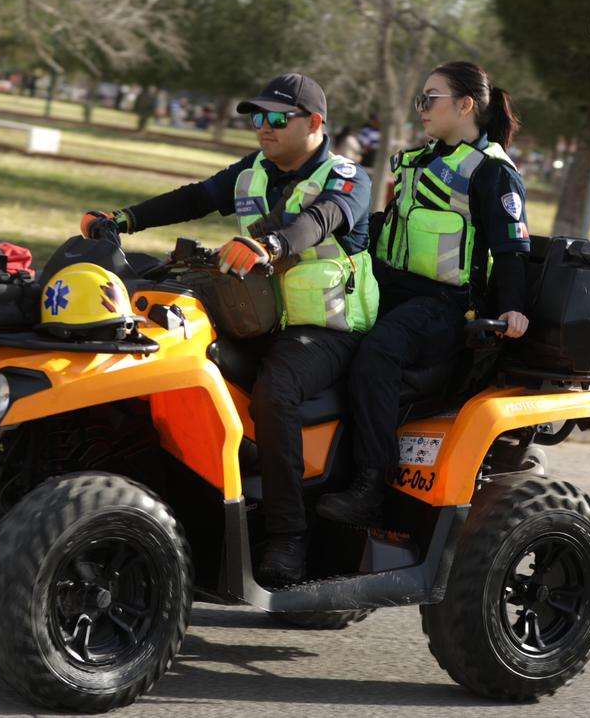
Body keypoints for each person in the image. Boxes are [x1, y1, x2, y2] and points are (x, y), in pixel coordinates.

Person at [80, 73, 378, 585]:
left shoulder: (346, 176)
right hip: (256, 315)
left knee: (275, 391)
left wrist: (274, 246)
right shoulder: (254, 170)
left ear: (315, 123)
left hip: (326, 329)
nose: (263, 127)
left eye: (277, 118)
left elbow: (325, 218)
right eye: (257, 117)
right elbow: (195, 197)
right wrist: (123, 219)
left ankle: (289, 538)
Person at [317, 61, 531, 526]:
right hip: (393, 289)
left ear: (465, 105)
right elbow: (386, 228)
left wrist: (514, 308)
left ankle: (372, 484)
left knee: (378, 354)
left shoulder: (492, 172)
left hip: (449, 306)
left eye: (430, 98)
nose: (422, 108)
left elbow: (512, 250)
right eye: (421, 99)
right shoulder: (420, 161)